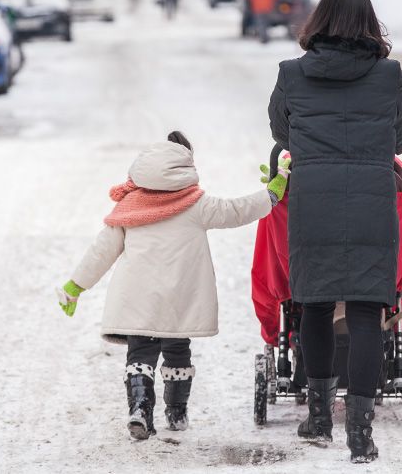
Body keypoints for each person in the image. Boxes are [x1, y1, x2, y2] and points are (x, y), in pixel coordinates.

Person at [267, 0, 402, 463]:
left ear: (319, 21)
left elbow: (281, 130)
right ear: (370, 25)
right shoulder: (389, 75)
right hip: (373, 203)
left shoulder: (291, 74)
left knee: (312, 305)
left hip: (314, 202)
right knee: (366, 311)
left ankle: (317, 418)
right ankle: (360, 433)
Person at [55, 131, 290, 441]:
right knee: (178, 352)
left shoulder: (128, 207)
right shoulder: (196, 204)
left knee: (140, 354)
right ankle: (176, 412)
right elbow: (237, 211)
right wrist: (272, 193)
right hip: (180, 297)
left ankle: (139, 407)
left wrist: (75, 286)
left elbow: (102, 251)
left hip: (137, 299)